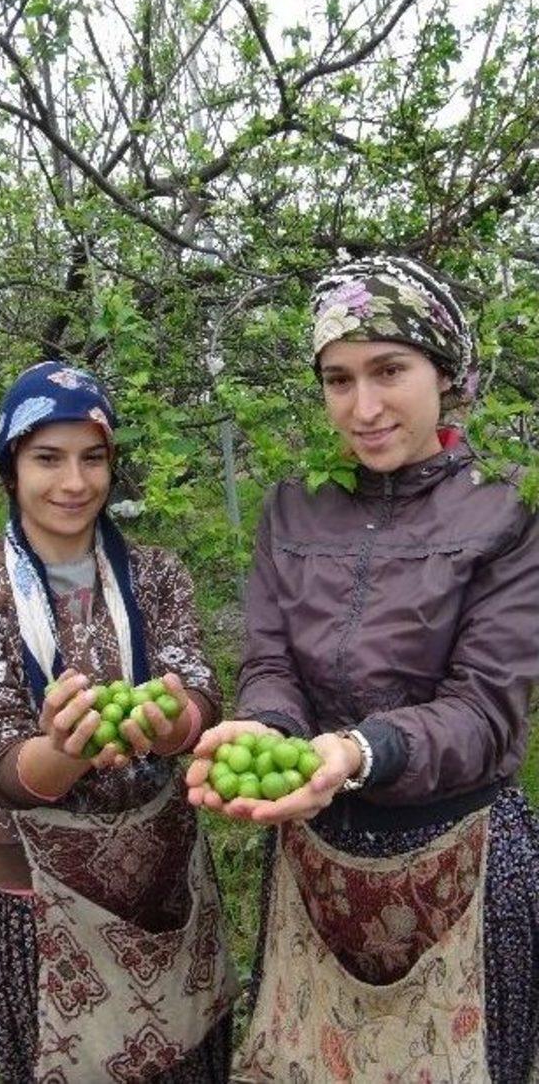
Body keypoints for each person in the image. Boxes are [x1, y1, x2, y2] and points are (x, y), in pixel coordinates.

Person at [186, 256, 539, 1084]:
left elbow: (484, 711)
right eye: (338, 379)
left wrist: (355, 750)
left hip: (459, 865)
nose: (364, 406)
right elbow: (270, 659)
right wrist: (269, 728)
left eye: (390, 370)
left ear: (444, 373)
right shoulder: (292, 506)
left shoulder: (504, 510)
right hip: (317, 868)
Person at [0, 361, 237, 1084]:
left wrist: (175, 723)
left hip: (168, 889)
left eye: (92, 458)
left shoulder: (157, 575)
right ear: (10, 468)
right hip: (39, 910)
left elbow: (199, 693)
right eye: (48, 458)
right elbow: (0, 765)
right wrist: (61, 752)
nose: (74, 482)